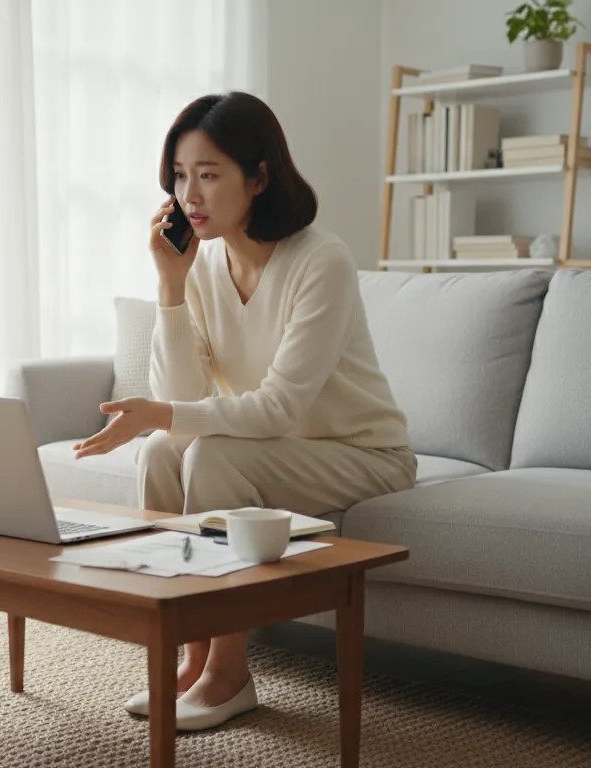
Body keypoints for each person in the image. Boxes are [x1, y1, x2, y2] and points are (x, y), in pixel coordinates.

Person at [71, 91, 416, 731]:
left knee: (210, 451)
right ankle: (194, 654)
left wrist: (163, 414)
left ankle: (230, 673)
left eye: (208, 175)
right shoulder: (201, 268)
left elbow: (281, 407)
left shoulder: (321, 261)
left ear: (258, 178)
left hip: (362, 455)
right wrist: (170, 286)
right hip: (276, 450)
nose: (189, 195)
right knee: (161, 450)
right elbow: (186, 391)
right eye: (179, 176)